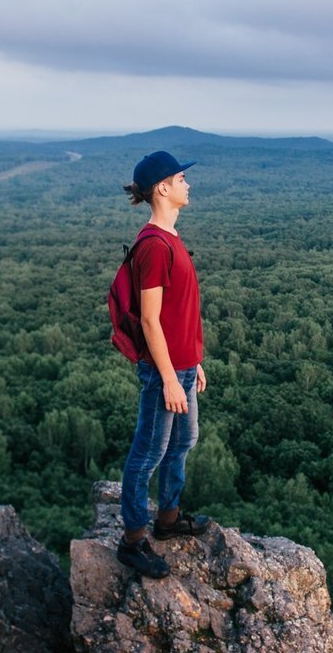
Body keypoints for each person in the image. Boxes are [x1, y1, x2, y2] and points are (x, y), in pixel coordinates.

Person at [117, 150, 211, 579]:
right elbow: (151, 320)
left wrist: (193, 362)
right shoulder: (155, 247)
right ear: (163, 189)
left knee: (182, 443)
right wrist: (172, 379)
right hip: (164, 372)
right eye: (180, 178)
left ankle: (168, 519)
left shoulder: (170, 238)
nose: (187, 184)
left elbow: (180, 313)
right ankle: (133, 541)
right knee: (148, 453)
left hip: (182, 366)